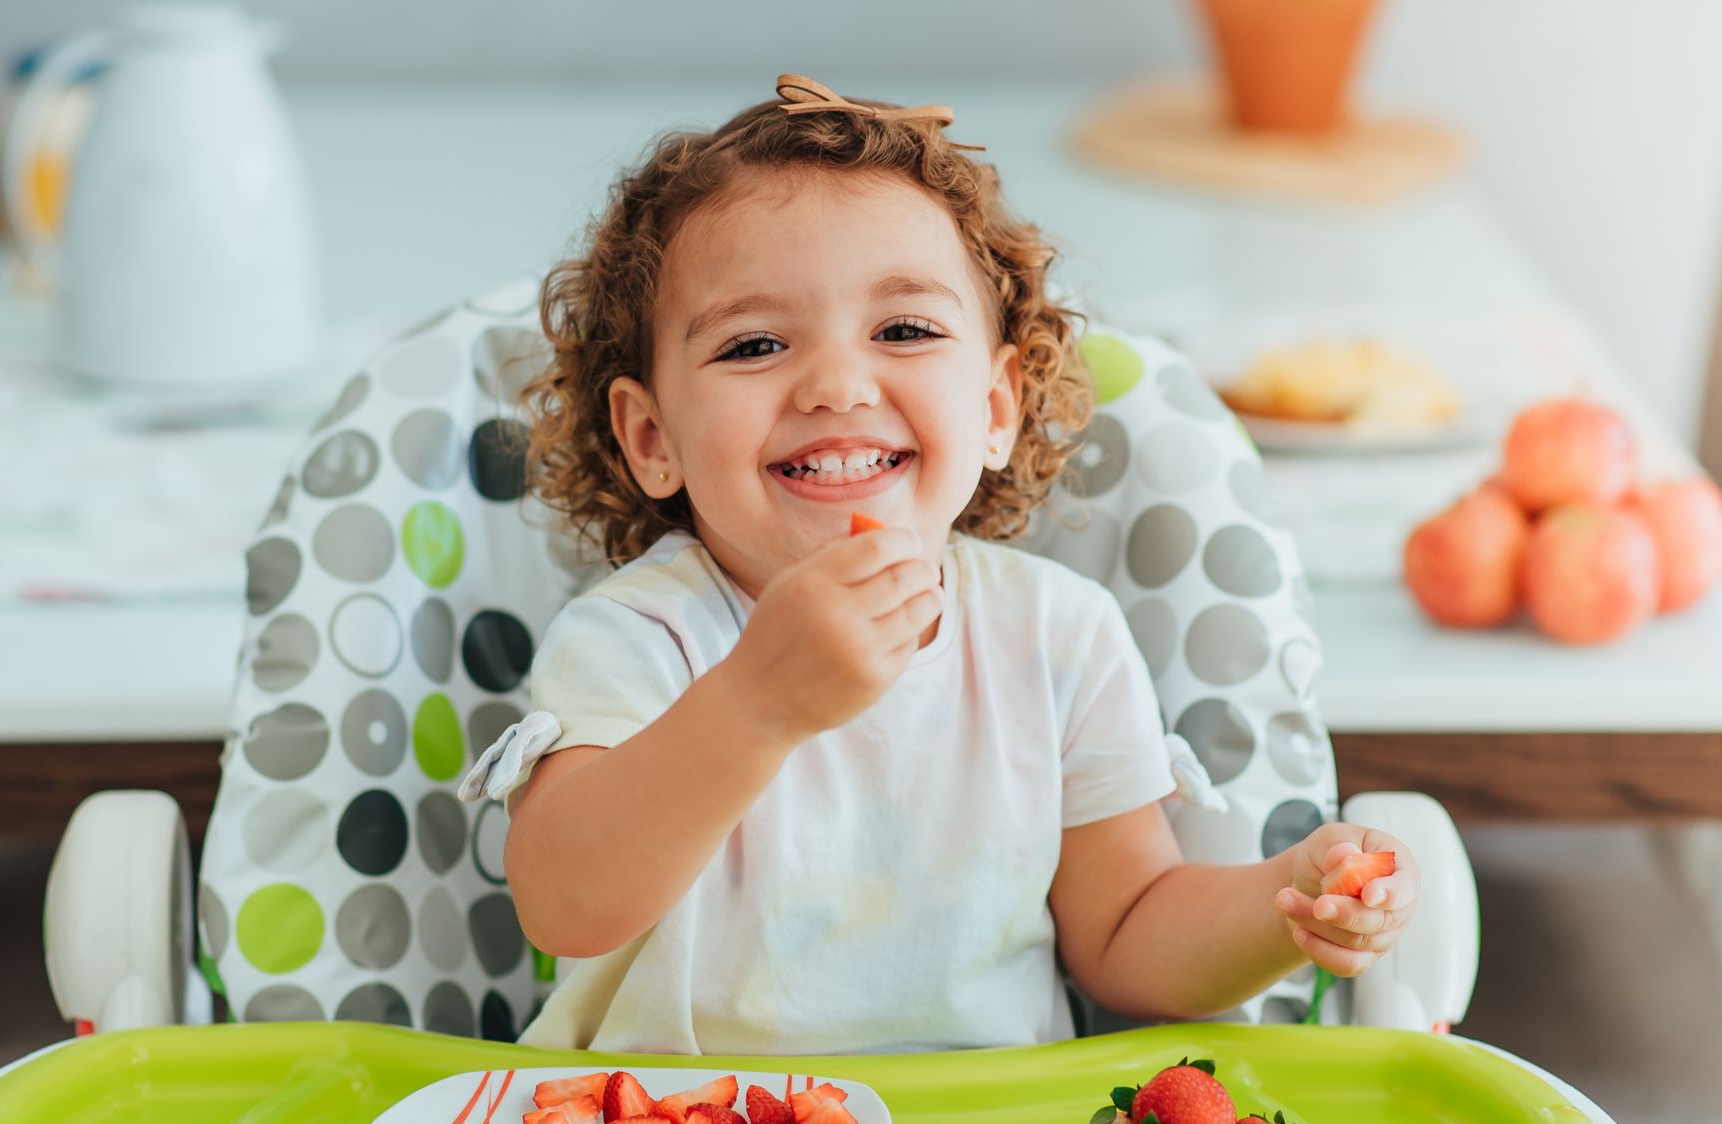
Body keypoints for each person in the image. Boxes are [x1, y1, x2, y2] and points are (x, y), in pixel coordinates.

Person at [474, 75, 1416, 1055]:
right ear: (649, 434)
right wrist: (756, 703)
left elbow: (1128, 927)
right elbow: (564, 905)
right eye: (753, 344)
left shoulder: (1058, 634)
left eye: (904, 330)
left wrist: (1285, 908)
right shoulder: (633, 638)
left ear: (997, 408)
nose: (837, 385)